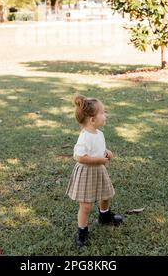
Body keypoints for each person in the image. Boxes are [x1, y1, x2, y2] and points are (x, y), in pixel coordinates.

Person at [66, 94, 123, 248]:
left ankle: (104, 216)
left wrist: (106, 152)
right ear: (92, 120)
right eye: (103, 113)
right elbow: (79, 156)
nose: (105, 115)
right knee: (86, 206)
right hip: (86, 173)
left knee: (106, 195)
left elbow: (99, 149)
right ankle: (82, 231)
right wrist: (98, 160)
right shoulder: (84, 137)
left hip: (99, 170)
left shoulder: (99, 134)